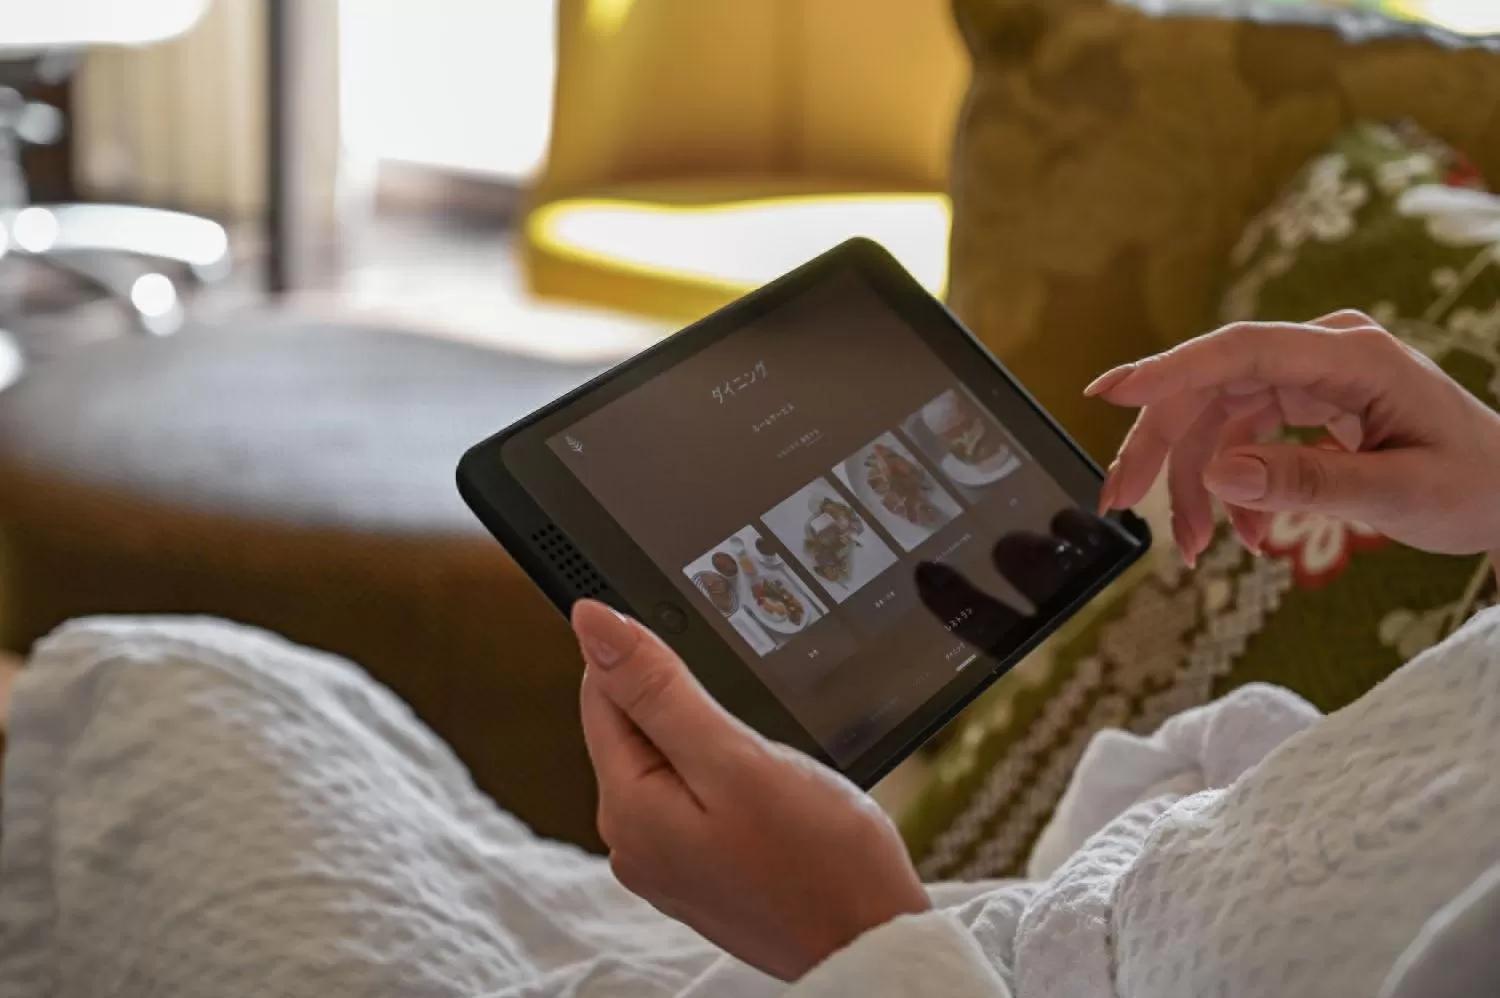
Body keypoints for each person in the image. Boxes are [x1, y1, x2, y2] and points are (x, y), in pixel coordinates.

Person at [2, 312, 1499, 997]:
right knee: (247, 703)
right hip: (997, 920)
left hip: (896, 953)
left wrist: (857, 937)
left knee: (170, 690)